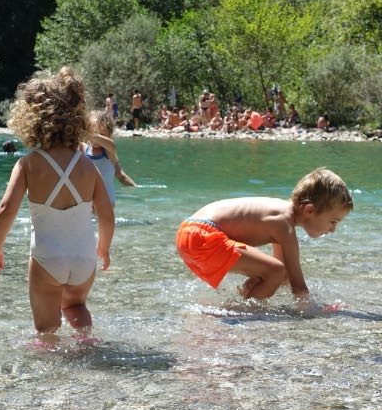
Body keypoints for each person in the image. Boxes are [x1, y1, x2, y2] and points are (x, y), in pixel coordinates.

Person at [0, 67, 114, 337]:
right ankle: (86, 346)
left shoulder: (29, 164)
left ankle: (50, 368)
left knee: (47, 327)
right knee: (76, 306)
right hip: (84, 257)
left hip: (48, 257)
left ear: (32, 121)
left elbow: (6, 210)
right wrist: (103, 247)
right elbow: (105, 212)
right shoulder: (88, 166)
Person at [175, 167, 353, 302]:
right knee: (276, 271)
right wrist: (312, 309)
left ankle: (243, 300)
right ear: (309, 210)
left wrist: (263, 281)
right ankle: (243, 311)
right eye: (333, 222)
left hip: (190, 231)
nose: (333, 230)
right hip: (202, 235)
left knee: (276, 273)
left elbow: (285, 277)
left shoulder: (281, 215)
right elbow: (298, 286)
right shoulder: (284, 225)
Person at [83, 113, 137, 205]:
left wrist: (137, 189)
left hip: (107, 205)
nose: (97, 137)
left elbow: (121, 176)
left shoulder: (109, 152)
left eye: (102, 134)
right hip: (89, 205)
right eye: (94, 131)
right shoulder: (84, 149)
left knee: (121, 176)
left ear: (109, 136)